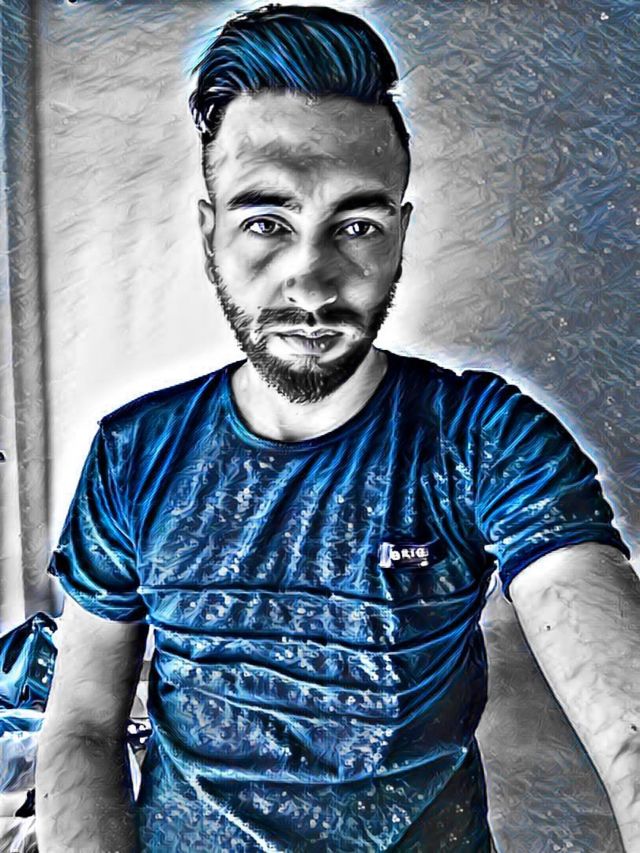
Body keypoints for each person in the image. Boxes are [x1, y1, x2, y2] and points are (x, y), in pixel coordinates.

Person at [35, 5, 639, 852]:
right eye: (266, 222)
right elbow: (81, 727)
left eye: (356, 226)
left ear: (401, 237)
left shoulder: (485, 438)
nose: (311, 283)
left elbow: (631, 730)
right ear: (209, 233)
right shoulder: (134, 452)